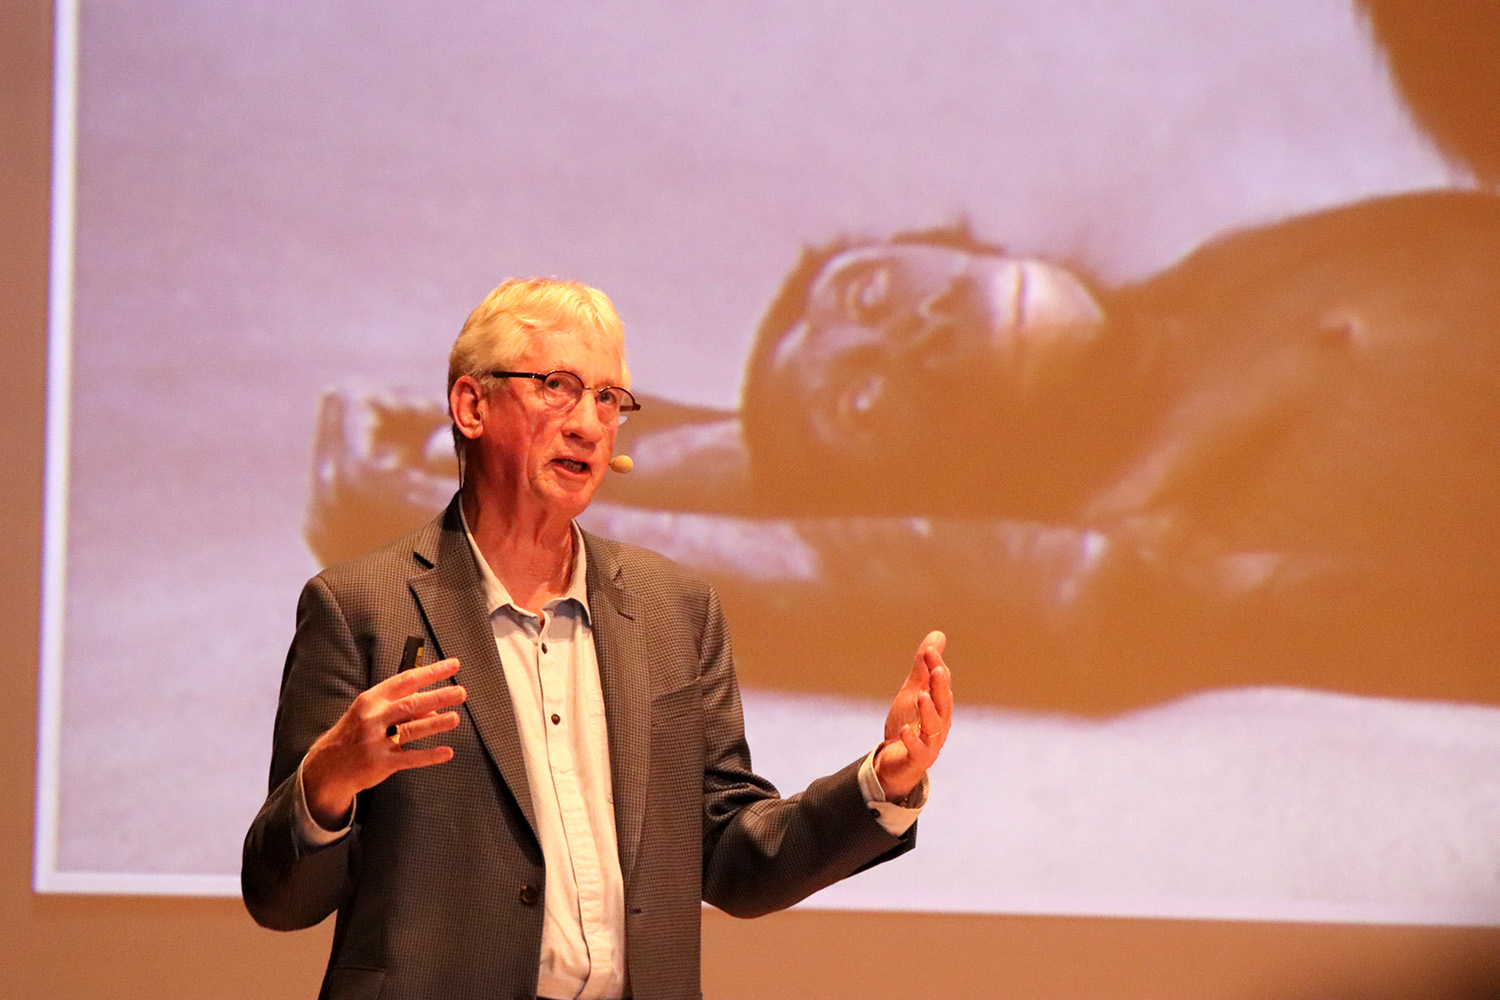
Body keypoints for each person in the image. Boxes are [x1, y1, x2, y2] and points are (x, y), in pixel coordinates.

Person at [241, 277, 954, 1000]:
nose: (589, 423)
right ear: (471, 406)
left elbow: (734, 855)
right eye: (558, 387)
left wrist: (883, 783)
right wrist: (328, 777)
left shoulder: (676, 610)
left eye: (609, 399)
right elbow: (281, 900)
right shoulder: (360, 607)